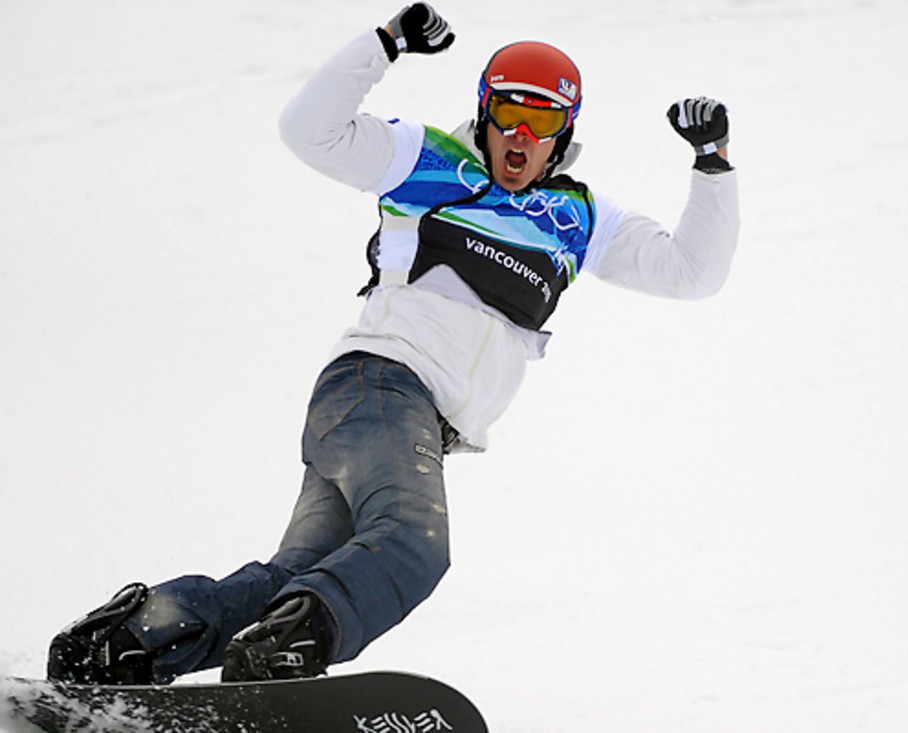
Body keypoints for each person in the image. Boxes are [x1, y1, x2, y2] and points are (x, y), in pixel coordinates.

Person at [46, 3, 739, 685]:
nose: (521, 135)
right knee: (413, 544)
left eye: (543, 121)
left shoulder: (579, 218)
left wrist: (713, 163)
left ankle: (128, 640)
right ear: (485, 113)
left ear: (564, 133)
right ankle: (279, 658)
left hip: (387, 418)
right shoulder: (427, 159)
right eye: (508, 114)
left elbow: (693, 272)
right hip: (383, 386)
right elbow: (306, 130)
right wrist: (384, 42)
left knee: (296, 578)